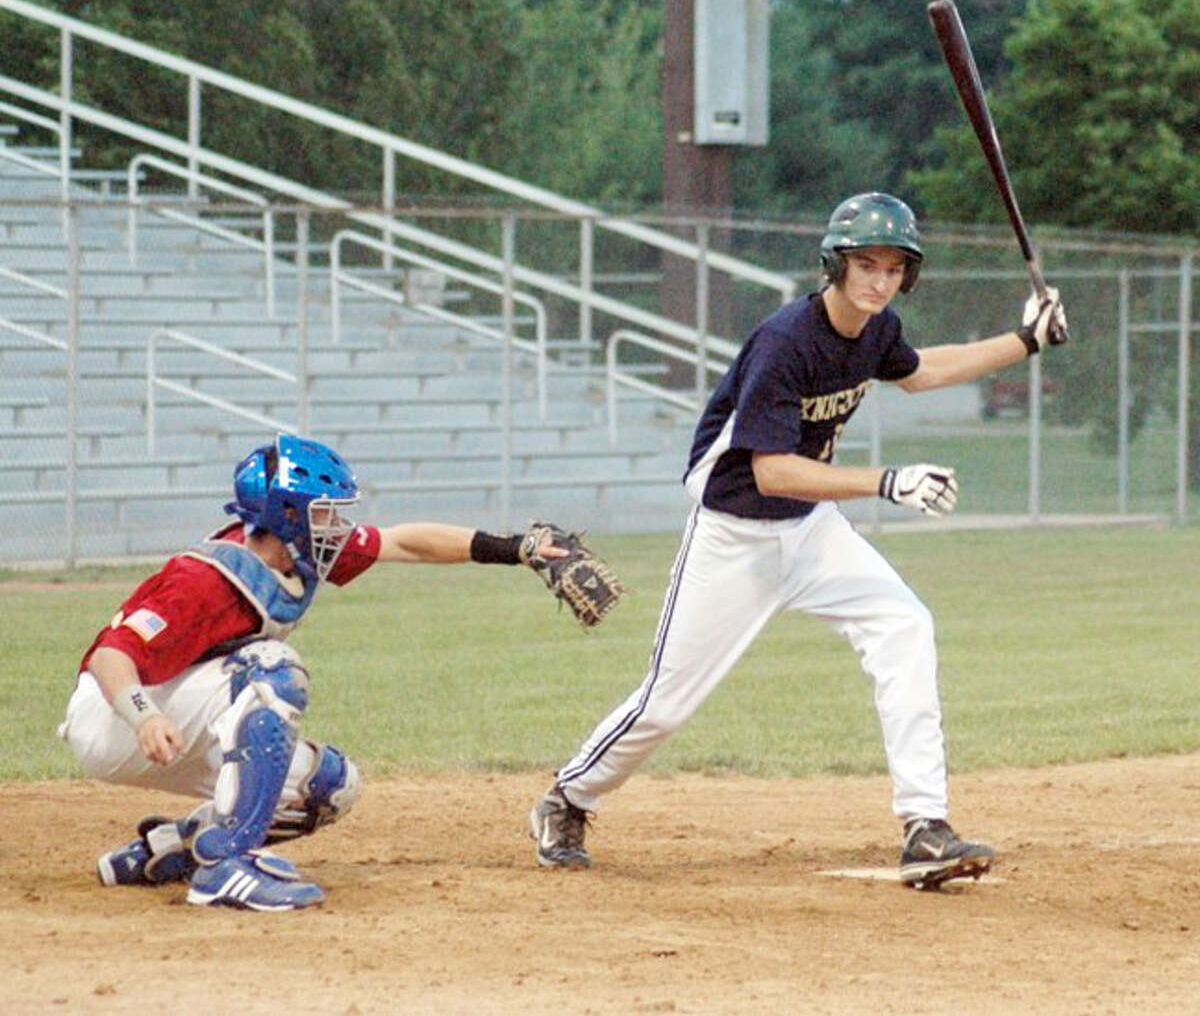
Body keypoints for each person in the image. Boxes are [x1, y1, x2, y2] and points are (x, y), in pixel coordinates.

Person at [529, 191, 1069, 890]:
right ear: (835, 265)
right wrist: (886, 481)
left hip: (810, 530)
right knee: (667, 701)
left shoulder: (877, 329)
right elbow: (771, 470)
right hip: (735, 536)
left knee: (904, 624)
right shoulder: (786, 342)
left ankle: (924, 825)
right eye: (865, 264)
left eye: (894, 267)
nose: (879, 280)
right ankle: (567, 798)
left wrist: (1025, 340)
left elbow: (921, 371)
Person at [60, 432, 567, 911]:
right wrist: (145, 718)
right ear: (287, 516)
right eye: (323, 513)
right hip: (116, 716)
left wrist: (515, 549)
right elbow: (111, 655)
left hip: (176, 716)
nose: (336, 525)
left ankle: (178, 849)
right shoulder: (202, 579)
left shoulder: (298, 554)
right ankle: (226, 867)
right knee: (272, 668)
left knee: (327, 788)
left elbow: (403, 543)